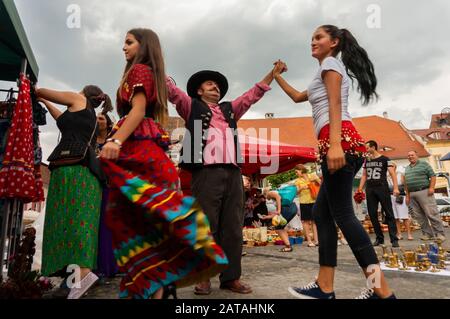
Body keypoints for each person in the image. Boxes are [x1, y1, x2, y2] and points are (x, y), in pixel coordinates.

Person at [99, 28, 228, 299]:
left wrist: (115, 141)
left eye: (129, 42)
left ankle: (155, 288)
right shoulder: (144, 73)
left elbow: (138, 110)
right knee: (144, 225)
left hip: (140, 150)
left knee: (134, 222)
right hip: (144, 149)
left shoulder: (140, 71)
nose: (123, 47)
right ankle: (157, 290)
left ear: (143, 46)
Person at [274, 25, 395, 299]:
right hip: (337, 140)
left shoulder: (330, 64)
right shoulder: (323, 69)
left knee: (344, 216)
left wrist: (336, 144)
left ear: (334, 42)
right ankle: (324, 286)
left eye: (318, 37)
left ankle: (381, 291)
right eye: (311, 38)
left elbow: (335, 105)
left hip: (339, 140)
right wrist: (275, 76)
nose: (312, 42)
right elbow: (296, 97)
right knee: (321, 214)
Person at [167, 66, 275, 295]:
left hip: (234, 173)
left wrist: (271, 75)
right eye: (209, 84)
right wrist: (153, 62)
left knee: (233, 228)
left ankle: (230, 278)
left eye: (217, 85)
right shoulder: (190, 106)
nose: (215, 87)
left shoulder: (230, 110)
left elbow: (251, 96)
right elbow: (171, 91)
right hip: (206, 173)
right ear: (198, 91)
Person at [36, 85, 111, 299]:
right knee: (80, 221)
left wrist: (37, 92)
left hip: (72, 171)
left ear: (83, 92)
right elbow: (60, 118)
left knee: (69, 221)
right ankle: (80, 277)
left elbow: (43, 91)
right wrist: (45, 103)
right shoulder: (85, 115)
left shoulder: (77, 98)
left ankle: (82, 278)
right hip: (85, 172)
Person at [358, 140, 400, 247]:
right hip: (370, 188)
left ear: (373, 147)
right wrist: (359, 188)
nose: (366, 150)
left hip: (382, 187)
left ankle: (394, 239)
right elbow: (364, 175)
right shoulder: (366, 160)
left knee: (388, 212)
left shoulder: (385, 159)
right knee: (372, 214)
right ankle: (379, 238)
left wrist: (395, 188)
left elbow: (392, 173)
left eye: (367, 148)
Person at [95, 113, 119, 279]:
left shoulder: (114, 141)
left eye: (101, 118)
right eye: (95, 118)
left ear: (108, 123)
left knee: (106, 227)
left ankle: (107, 266)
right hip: (90, 185)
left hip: (108, 187)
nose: (98, 121)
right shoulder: (88, 139)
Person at [404, 151, 446, 242]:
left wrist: (431, 188)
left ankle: (439, 234)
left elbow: (433, 176)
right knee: (419, 216)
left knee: (432, 213)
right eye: (408, 155)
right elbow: (406, 183)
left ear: (417, 155)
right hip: (412, 193)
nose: (410, 157)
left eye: (412, 155)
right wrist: (407, 196)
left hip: (424, 191)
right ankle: (427, 234)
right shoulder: (407, 168)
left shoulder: (424, 164)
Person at [259, 187, 298, 252]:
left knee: (279, 228)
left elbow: (278, 198)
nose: (266, 199)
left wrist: (279, 210)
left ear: (264, 194)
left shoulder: (270, 193)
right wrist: (266, 217)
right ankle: (287, 245)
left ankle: (288, 246)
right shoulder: (278, 200)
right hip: (292, 208)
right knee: (281, 227)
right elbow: (278, 214)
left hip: (288, 209)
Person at [295, 164, 321, 247]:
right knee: (306, 221)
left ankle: (316, 240)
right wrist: (301, 188)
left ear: (301, 170)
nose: (296, 173)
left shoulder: (312, 175)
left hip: (314, 201)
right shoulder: (297, 181)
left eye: (297, 171)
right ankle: (309, 241)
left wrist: (315, 180)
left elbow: (321, 183)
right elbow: (296, 192)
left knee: (315, 221)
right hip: (304, 202)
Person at [388, 163, 414, 241]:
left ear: (395, 167)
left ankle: (409, 234)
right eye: (389, 166)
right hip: (391, 197)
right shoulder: (386, 177)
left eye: (392, 166)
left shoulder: (400, 174)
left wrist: (408, 196)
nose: (390, 168)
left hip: (401, 197)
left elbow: (406, 187)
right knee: (396, 217)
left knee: (405, 216)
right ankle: (399, 234)